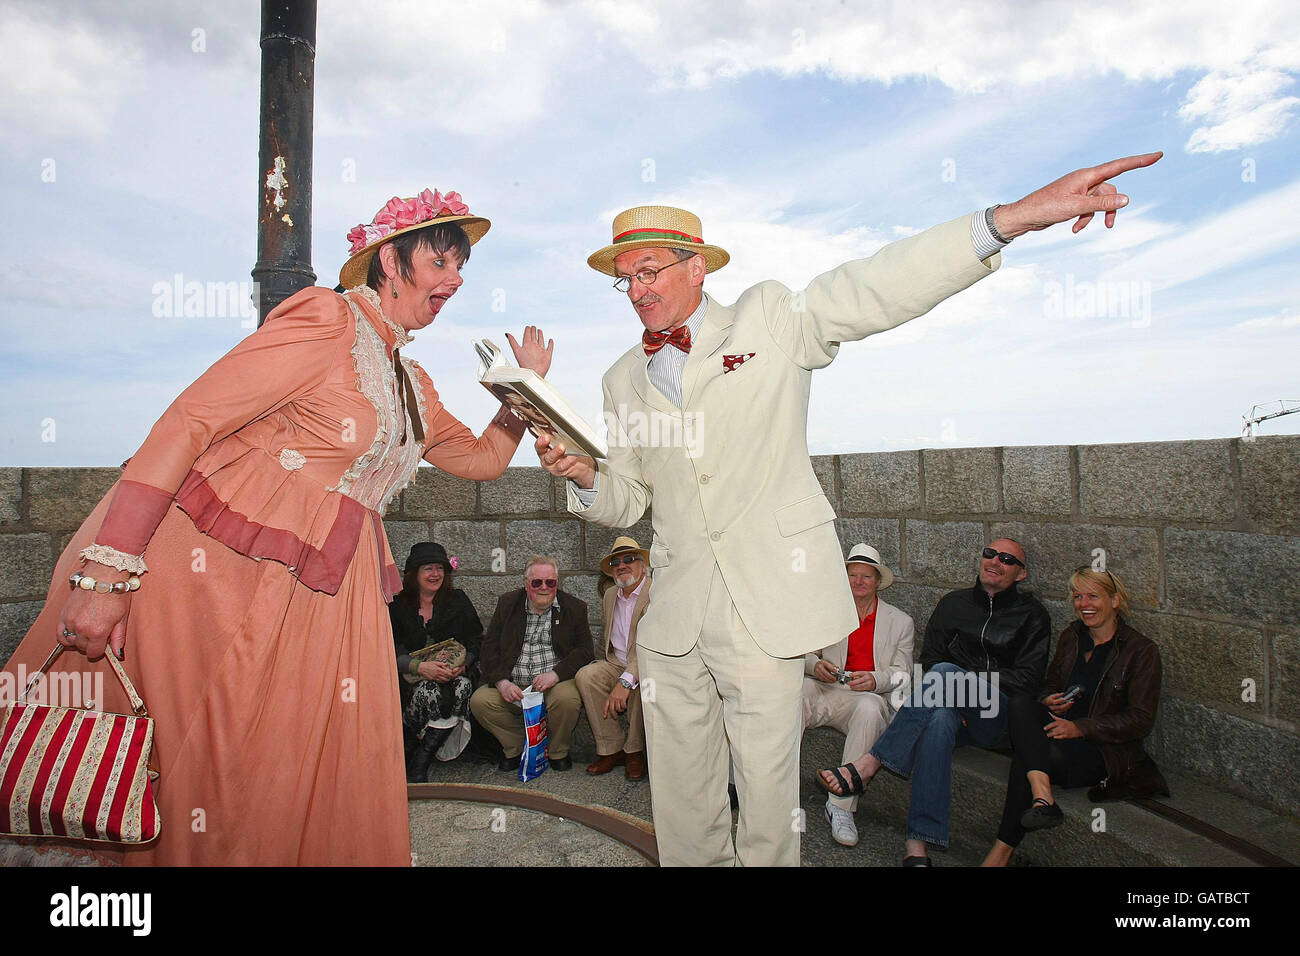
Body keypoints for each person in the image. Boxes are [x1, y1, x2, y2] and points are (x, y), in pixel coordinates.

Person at [535, 153, 1163, 866]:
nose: (636, 288)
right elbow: (632, 494)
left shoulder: (768, 317)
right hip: (674, 620)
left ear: (696, 267)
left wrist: (1004, 222)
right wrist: (586, 474)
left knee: (768, 798)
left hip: (763, 611)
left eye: (650, 270)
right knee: (680, 800)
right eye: (627, 277)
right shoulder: (622, 378)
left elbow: (870, 287)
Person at [1, 187, 555, 865]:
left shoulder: (411, 380)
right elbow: (190, 421)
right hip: (233, 575)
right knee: (215, 747)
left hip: (330, 589)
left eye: (460, 266)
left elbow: (482, 459)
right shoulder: (326, 319)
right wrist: (107, 570)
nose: (456, 278)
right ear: (389, 260)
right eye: (441, 260)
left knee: (287, 756)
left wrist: (522, 392)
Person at [817, 538, 1052, 865]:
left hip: (996, 713)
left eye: (1007, 559)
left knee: (945, 674)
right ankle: (918, 847)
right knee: (938, 719)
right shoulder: (953, 603)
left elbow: (1028, 679)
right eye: (989, 553)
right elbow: (928, 661)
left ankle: (869, 763)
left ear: (1021, 574)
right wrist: (955, 689)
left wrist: (966, 685)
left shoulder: (1032, 615)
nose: (995, 561)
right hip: (950, 707)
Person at [982, 567, 1168, 866]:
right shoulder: (1073, 635)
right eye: (1078, 596)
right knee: (1020, 704)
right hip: (1059, 730)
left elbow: (1141, 719)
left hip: (1102, 751)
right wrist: (1050, 698)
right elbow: (1051, 682)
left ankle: (999, 855)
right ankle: (1043, 797)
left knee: (1026, 759)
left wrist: (1080, 728)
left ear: (1115, 600)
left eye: (1093, 596)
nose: (1084, 604)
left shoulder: (1141, 651)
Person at [805, 544, 914, 847]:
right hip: (825, 688)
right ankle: (770, 787)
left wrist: (875, 679)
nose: (859, 582)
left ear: (878, 581)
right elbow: (801, 655)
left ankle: (841, 808)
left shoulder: (900, 622)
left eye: (866, 576)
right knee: (792, 692)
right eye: (852, 575)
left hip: (863, 697)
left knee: (870, 708)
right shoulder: (827, 611)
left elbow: (903, 673)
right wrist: (816, 665)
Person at [469, 556, 594, 771]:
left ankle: (557, 751)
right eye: (537, 582)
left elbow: (585, 651)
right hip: (514, 685)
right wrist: (502, 682)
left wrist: (555, 674)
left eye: (550, 582)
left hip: (553, 684)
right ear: (526, 584)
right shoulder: (507, 604)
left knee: (567, 699)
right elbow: (489, 648)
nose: (544, 587)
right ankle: (518, 747)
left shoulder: (574, 608)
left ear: (557, 583)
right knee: (480, 701)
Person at [391, 542, 483, 782]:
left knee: (462, 686)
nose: (435, 574)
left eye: (440, 568)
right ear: (414, 574)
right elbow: (387, 648)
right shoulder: (397, 606)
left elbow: (475, 639)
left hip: (453, 675)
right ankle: (416, 752)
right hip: (409, 681)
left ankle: (422, 757)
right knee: (429, 690)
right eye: (428, 568)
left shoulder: (457, 600)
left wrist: (462, 665)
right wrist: (420, 667)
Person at [576, 537, 650, 780]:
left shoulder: (656, 593)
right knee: (586, 676)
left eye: (629, 559)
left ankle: (634, 752)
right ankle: (611, 748)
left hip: (646, 664)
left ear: (642, 565)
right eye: (616, 562)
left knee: (646, 687)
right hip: (615, 662)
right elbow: (607, 638)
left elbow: (649, 647)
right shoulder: (610, 595)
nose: (622, 565)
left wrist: (626, 682)